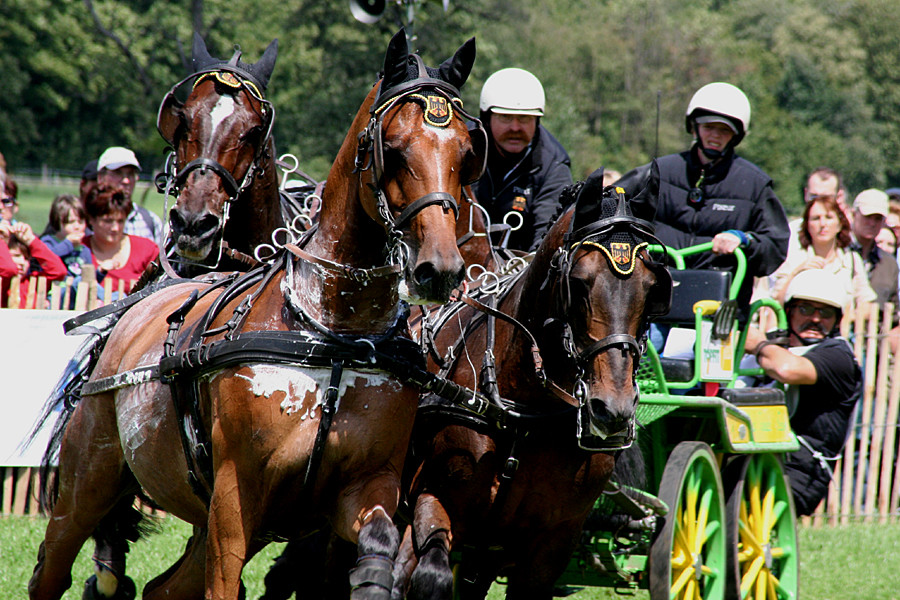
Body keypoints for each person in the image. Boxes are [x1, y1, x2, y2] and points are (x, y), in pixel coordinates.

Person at [617, 82, 789, 328]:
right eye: (709, 127)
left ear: (736, 135)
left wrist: (744, 240)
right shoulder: (659, 172)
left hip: (714, 315)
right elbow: (612, 207)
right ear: (695, 127)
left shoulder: (754, 185)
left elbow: (775, 247)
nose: (715, 136)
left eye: (724, 130)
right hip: (652, 305)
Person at [744, 269, 861, 515]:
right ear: (789, 311)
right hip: (756, 457)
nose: (816, 319)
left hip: (800, 469)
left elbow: (786, 368)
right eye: (806, 309)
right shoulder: (776, 346)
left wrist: (757, 344)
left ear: (836, 320)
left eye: (826, 313)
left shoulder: (839, 356)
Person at [473, 67, 573, 251]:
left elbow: (547, 235)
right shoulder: (461, 148)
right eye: (505, 117)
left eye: (525, 118)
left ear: (537, 121)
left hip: (520, 267)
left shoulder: (553, 165)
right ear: (487, 118)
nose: (515, 128)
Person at [770, 194, 875, 314]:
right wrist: (796, 273)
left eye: (829, 217)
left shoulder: (852, 260)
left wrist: (845, 318)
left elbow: (867, 302)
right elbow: (777, 302)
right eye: (816, 218)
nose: (823, 224)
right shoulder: (794, 258)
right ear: (807, 225)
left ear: (839, 224)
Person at [83, 185, 158, 298]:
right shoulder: (78, 250)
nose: (115, 228)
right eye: (108, 221)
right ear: (91, 219)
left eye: (120, 221)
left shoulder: (147, 250)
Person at [97, 146, 165, 247]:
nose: (126, 181)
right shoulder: (85, 222)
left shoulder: (151, 222)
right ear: (100, 178)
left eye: (130, 174)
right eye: (118, 173)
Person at [41, 194, 93, 308]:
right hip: (56, 293)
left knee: (81, 282)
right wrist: (68, 244)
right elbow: (48, 259)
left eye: (80, 222)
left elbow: (91, 280)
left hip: (79, 298)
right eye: (70, 222)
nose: (77, 227)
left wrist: (101, 272)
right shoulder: (48, 242)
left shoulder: (84, 250)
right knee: (78, 282)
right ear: (57, 222)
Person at [850, 188, 899, 307]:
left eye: (877, 218)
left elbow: (894, 311)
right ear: (853, 214)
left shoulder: (889, 264)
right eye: (867, 216)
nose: (872, 223)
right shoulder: (838, 254)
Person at [0, 220, 66, 308]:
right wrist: (1, 240)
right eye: (16, 255)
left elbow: (59, 271)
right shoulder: (3, 282)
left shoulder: (32, 282)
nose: (22, 262)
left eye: (26, 258)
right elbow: (9, 269)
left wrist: (31, 240)